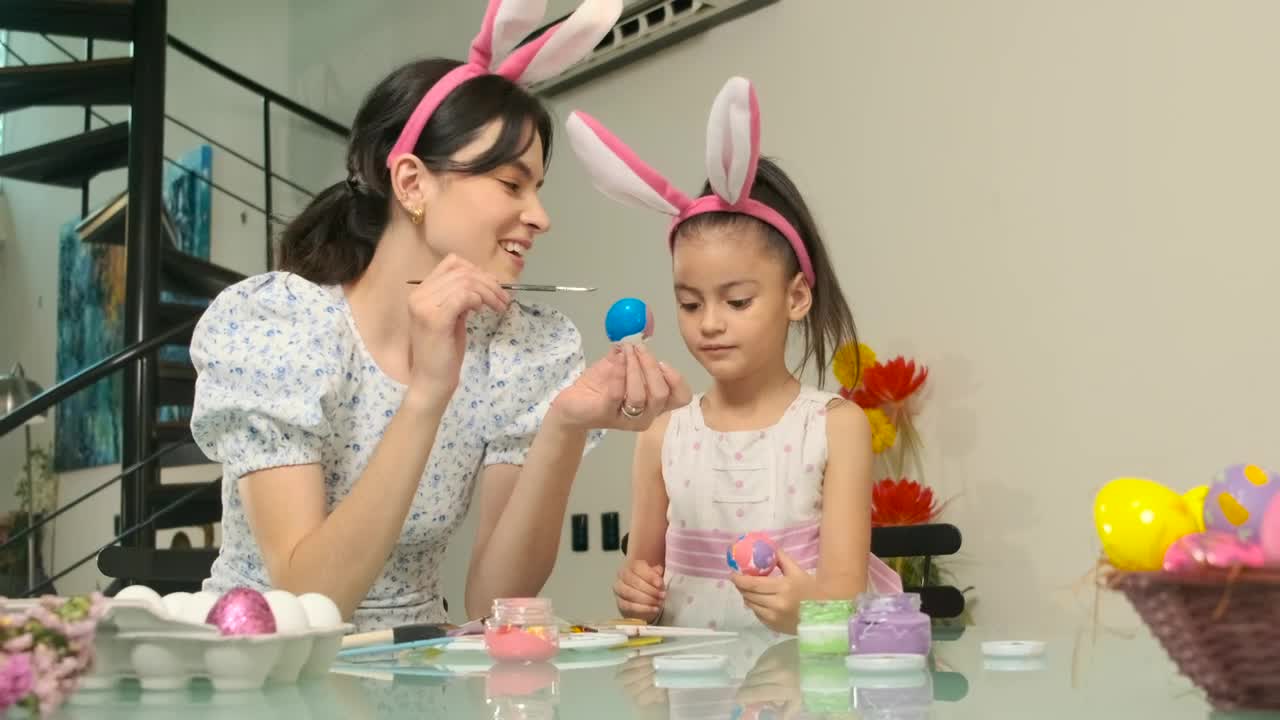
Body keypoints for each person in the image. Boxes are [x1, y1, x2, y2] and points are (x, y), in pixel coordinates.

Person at [188, 0, 691, 632]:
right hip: (271, 667)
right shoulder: (280, 328)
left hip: (417, 668)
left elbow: (493, 601)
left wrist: (563, 426)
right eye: (512, 185)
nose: (540, 216)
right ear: (412, 183)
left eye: (537, 188)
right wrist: (427, 393)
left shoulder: (517, 348)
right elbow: (307, 601)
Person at [566, 76, 902, 634]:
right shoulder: (662, 433)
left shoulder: (834, 428)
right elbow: (643, 584)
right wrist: (636, 595)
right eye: (690, 303)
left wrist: (806, 611)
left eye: (738, 300)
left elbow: (845, 599)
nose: (711, 324)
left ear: (796, 296)